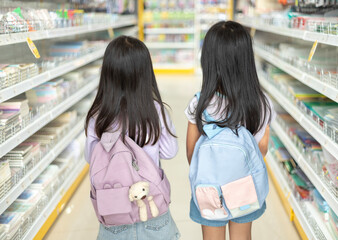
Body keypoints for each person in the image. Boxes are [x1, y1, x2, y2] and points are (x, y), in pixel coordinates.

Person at [185, 21, 275, 240]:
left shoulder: (200, 104)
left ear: (207, 60)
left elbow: (191, 153)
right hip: (244, 186)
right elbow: (261, 149)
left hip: (209, 188)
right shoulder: (261, 104)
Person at [85, 36, 180, 240]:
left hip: (113, 210)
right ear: (145, 74)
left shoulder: (98, 115)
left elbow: (90, 157)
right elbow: (170, 151)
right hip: (152, 205)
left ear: (107, 75)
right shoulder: (155, 110)